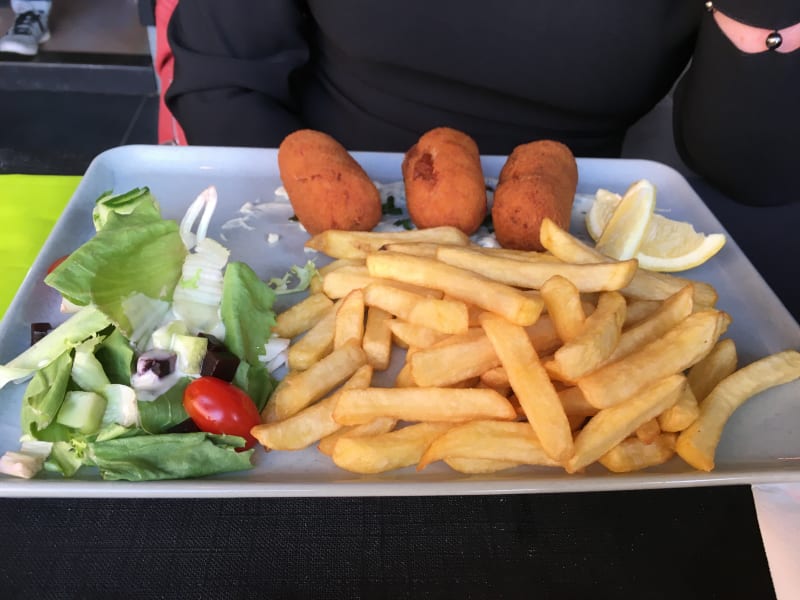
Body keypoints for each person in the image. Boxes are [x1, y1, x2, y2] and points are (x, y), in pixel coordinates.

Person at [164, 1, 799, 206]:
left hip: (563, 243)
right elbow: (223, 80)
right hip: (315, 213)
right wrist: (288, 230)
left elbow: (752, 172)